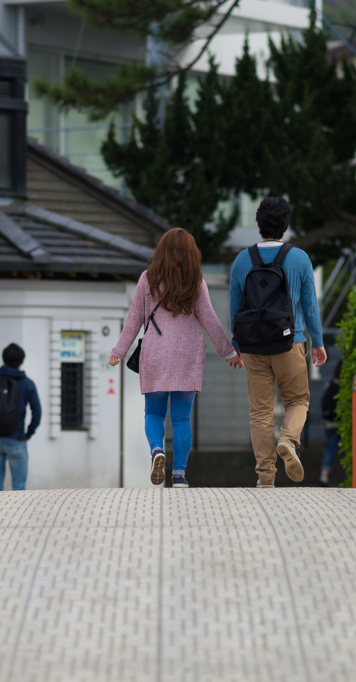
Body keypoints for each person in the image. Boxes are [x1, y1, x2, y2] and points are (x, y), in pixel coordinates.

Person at [110, 228, 243, 488]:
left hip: (155, 354)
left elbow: (134, 320)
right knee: (181, 419)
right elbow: (211, 322)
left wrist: (119, 351)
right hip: (186, 357)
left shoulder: (146, 279)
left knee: (154, 413)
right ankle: (179, 474)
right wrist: (229, 351)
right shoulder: (196, 283)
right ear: (191, 254)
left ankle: (157, 451)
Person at [230, 197, 326, 488]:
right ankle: (288, 439)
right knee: (297, 400)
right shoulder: (299, 259)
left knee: (260, 411)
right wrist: (318, 343)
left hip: (254, 347)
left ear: (259, 224)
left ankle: (266, 478)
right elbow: (309, 307)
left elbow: (235, 308)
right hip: (291, 343)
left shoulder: (242, 259)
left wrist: (237, 345)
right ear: (286, 225)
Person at [0, 343, 41, 492]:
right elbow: (37, 413)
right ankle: (18, 515)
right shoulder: (27, 384)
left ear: (3, 360)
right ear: (21, 361)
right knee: (19, 487)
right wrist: (28, 434)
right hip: (17, 440)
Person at [320, 361, 342, 486]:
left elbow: (323, 402)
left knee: (329, 450)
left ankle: (324, 477)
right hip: (342, 423)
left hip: (330, 423)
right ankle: (352, 476)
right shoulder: (345, 386)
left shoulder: (330, 384)